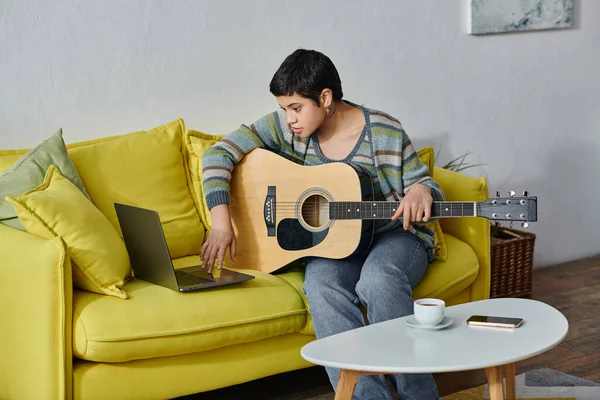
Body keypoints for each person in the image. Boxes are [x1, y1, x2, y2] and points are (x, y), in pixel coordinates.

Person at [200, 49, 444, 400]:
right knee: (321, 286)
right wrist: (221, 222)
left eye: (295, 108)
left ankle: (420, 394)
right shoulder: (289, 131)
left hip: (395, 236)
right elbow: (217, 154)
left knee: (379, 282)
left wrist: (422, 189)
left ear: (325, 98)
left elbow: (424, 184)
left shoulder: (383, 131)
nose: (288, 119)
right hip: (336, 245)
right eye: (284, 109)